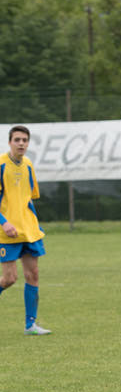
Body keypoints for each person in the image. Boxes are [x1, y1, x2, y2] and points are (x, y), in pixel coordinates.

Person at [0, 125, 51, 335]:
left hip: (28, 230)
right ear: (10, 142)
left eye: (25, 140)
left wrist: (32, 223)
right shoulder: (1, 165)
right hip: (7, 232)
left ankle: (30, 325)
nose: (21, 143)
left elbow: (30, 196)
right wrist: (4, 222)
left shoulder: (28, 165)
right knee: (9, 278)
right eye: (17, 140)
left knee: (33, 274)